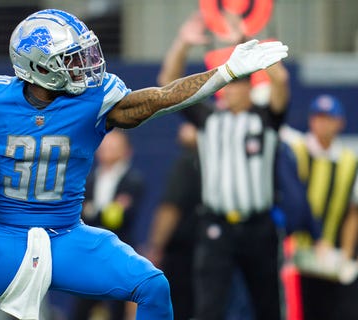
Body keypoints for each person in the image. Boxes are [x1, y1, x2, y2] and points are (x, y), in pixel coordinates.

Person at [0, 8, 288, 320]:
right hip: (2, 235)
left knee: (151, 286)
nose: (86, 65)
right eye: (72, 59)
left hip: (66, 236)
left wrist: (225, 72)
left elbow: (161, 98)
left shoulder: (94, 100)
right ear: (39, 66)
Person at [157, 12, 291, 320]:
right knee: (209, 306)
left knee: (268, 304)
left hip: (259, 226)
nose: (226, 91)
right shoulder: (208, 119)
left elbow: (281, 81)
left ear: (248, 88)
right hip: (216, 227)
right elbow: (167, 85)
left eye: (233, 85)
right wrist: (182, 44)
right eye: (225, 86)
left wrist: (250, 46)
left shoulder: (265, 117)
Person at [282, 95, 358, 320]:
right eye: (318, 117)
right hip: (295, 253)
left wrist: (345, 252)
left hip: (331, 256)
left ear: (340, 122)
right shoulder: (295, 152)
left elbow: (352, 212)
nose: (322, 123)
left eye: (328, 118)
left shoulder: (348, 161)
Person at [73, 128, 145, 320]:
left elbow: (119, 217)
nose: (107, 151)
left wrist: (94, 209)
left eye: (114, 147)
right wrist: (103, 210)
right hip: (90, 252)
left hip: (119, 251)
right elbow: (80, 212)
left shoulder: (133, 180)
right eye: (104, 146)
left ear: (126, 151)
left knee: (117, 306)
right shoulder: (88, 179)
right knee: (82, 304)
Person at [145, 122, 201, 320]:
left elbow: (170, 209)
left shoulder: (187, 161)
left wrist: (155, 248)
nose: (182, 128)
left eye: (190, 123)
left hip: (184, 256)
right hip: (210, 252)